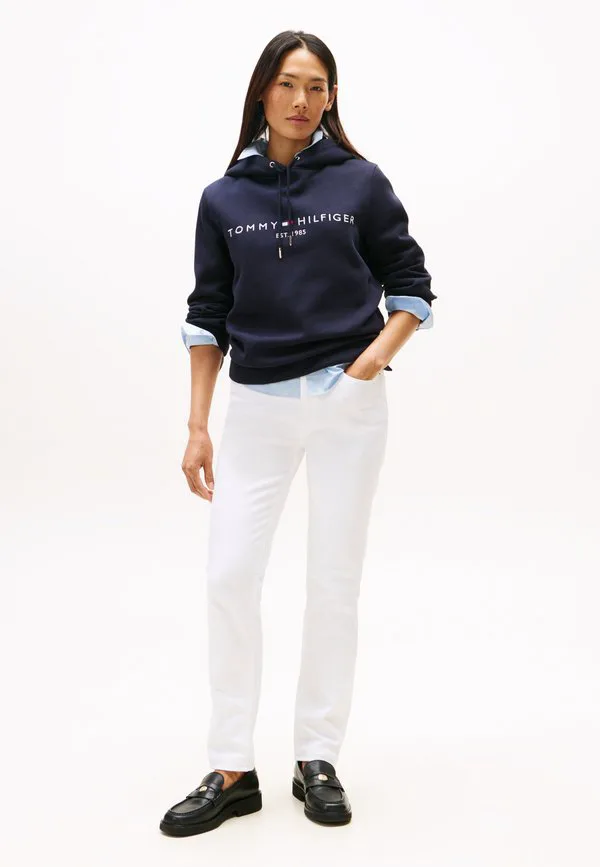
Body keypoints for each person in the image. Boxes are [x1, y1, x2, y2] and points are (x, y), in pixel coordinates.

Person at [160, 29, 436, 837]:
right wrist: (197, 424)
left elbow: (412, 288)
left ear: (330, 98)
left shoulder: (360, 182)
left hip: (349, 407)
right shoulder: (224, 198)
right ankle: (231, 766)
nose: (302, 99)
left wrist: (366, 369)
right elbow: (207, 314)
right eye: (288, 83)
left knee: (332, 582)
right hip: (258, 408)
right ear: (262, 91)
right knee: (229, 576)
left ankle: (317, 755)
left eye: (317, 87)